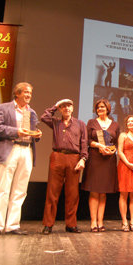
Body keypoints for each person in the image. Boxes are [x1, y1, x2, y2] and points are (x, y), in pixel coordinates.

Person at [0, 82, 42, 237]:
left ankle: (12, 225)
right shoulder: (4, 108)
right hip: (9, 149)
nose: (28, 95)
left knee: (20, 190)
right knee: (3, 189)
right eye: (25, 92)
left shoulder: (31, 112)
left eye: (30, 93)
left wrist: (37, 134)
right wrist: (16, 131)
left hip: (26, 151)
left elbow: (32, 131)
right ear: (17, 93)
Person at [41, 99, 88, 234]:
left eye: (69, 106)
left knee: (73, 193)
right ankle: (48, 224)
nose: (66, 108)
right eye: (63, 106)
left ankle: (71, 224)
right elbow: (44, 117)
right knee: (52, 192)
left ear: (73, 108)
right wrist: (55, 106)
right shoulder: (56, 122)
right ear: (60, 109)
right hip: (58, 156)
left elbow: (84, 143)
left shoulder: (80, 124)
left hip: (74, 158)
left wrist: (83, 158)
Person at [81, 99, 119, 232]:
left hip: (108, 160)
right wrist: (98, 145)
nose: (100, 109)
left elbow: (117, 144)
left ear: (108, 108)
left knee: (103, 192)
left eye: (102, 107)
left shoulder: (115, 124)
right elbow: (87, 140)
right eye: (98, 108)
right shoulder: (91, 123)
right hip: (95, 158)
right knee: (94, 191)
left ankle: (100, 221)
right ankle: (93, 222)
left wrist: (111, 150)